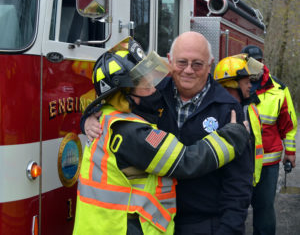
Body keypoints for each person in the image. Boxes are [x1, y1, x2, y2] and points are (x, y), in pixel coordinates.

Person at [73, 37, 250, 235]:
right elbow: (185, 161)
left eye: (198, 64)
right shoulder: (151, 97)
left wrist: (230, 229)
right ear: (170, 61)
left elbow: (239, 181)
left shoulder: (228, 107)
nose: (189, 70)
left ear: (210, 65)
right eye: (182, 62)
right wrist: (88, 119)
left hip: (203, 224)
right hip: (158, 221)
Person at [241, 45, 298, 235]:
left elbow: (288, 126)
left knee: (264, 209)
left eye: (259, 61)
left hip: (268, 163)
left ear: (264, 62)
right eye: (250, 61)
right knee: (234, 209)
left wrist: (290, 153)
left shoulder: (279, 89)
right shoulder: (233, 85)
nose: (255, 65)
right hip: (239, 161)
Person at [213, 54, 264, 186]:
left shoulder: (251, 108)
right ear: (232, 84)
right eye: (246, 82)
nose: (250, 86)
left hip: (248, 180)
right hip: (226, 184)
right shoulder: (218, 112)